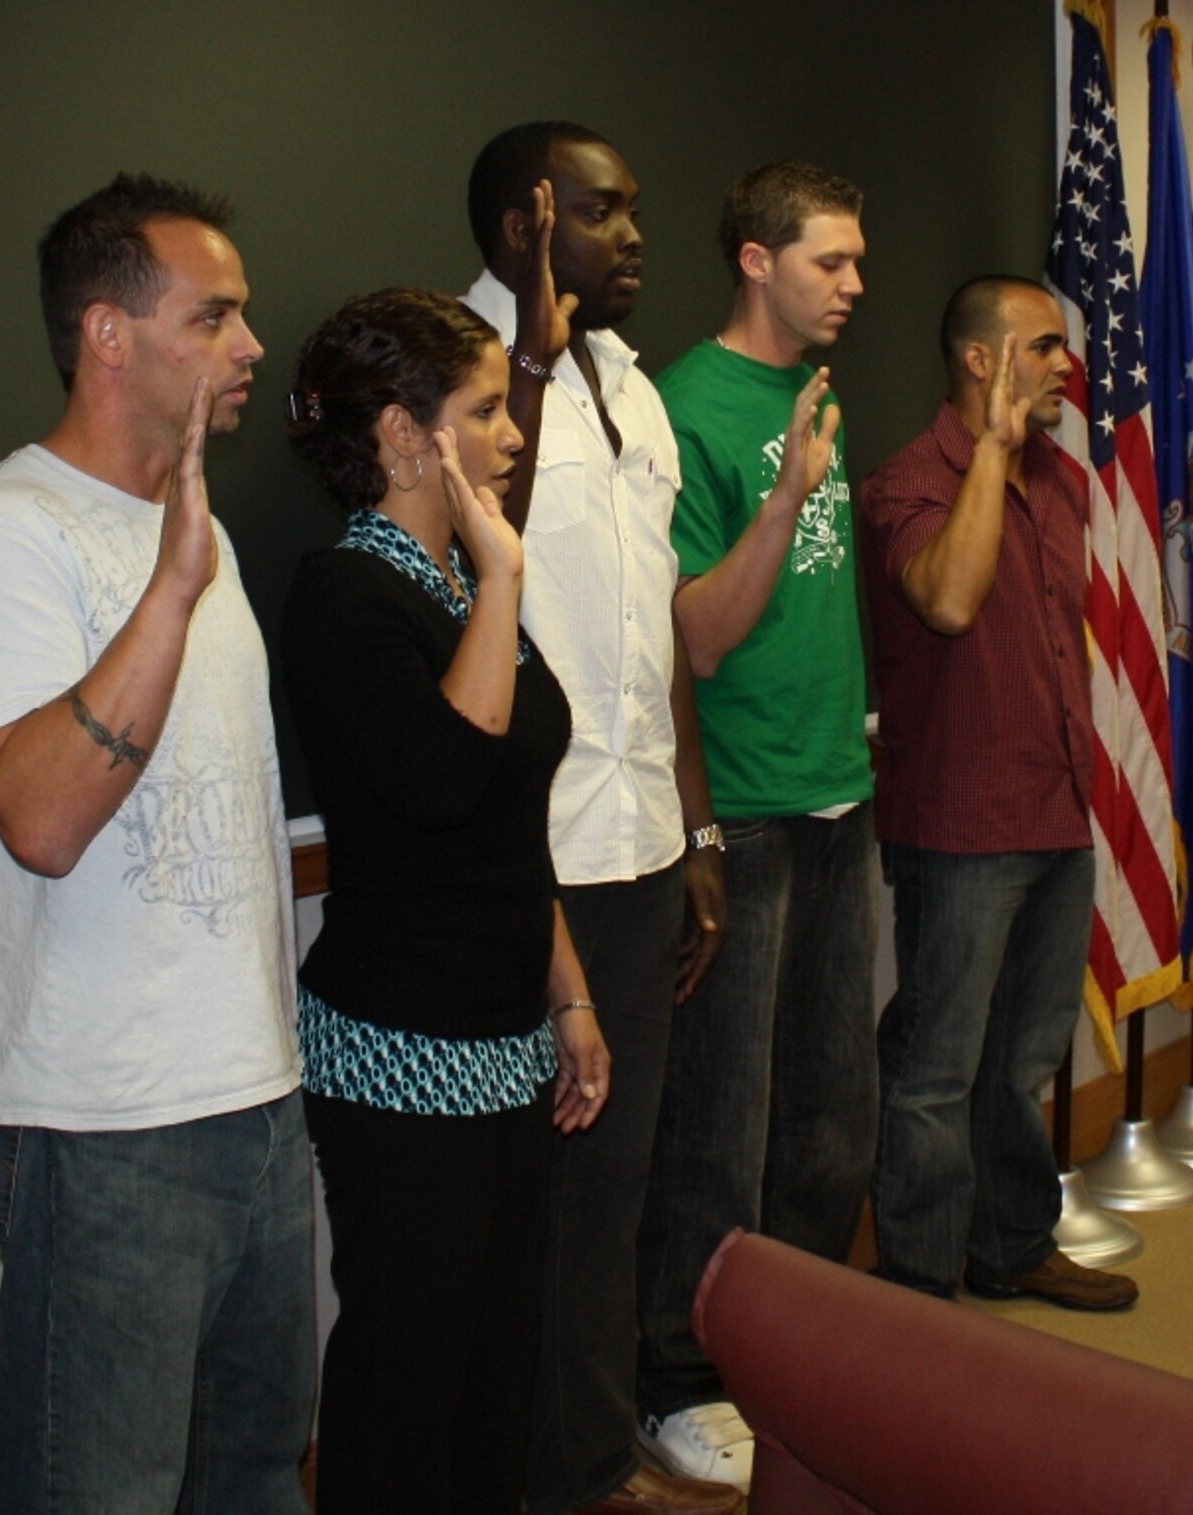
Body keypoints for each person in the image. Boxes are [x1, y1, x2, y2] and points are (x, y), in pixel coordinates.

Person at [0, 174, 314, 1512]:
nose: (251, 346)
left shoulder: (191, 528)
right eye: (215, 316)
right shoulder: (0, 537)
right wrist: (169, 593)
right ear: (108, 334)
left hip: (257, 1100)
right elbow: (39, 818)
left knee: (253, 1479)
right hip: (104, 1128)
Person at [281, 288, 608, 1512]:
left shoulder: (468, 585)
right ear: (405, 438)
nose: (512, 432)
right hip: (397, 1055)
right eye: (484, 409)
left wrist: (566, 996)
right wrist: (507, 573)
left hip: (504, 1045)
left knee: (497, 1375)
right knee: (405, 1381)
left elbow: (507, 826)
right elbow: (442, 773)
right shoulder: (345, 596)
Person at [460, 122, 740, 1515]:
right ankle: (549, 1470)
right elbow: (469, 558)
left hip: (636, 844)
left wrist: (694, 833)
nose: (636, 234)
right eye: (604, 211)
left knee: (614, 1179)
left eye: (635, 210)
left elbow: (659, 640)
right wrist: (518, 348)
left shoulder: (630, 384)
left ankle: (589, 1450)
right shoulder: (452, 367)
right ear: (526, 225)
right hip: (529, 859)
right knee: (529, 1194)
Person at [638, 160, 879, 1490]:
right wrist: (785, 495)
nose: (854, 284)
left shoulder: (819, 389)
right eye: (829, 263)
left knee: (834, 1120)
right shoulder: (690, 406)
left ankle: (790, 1363)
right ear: (753, 259)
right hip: (745, 810)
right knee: (717, 1126)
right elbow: (701, 640)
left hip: (841, 792)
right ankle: (679, 1376)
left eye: (856, 261)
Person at [860, 275, 1137, 1311]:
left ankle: (1012, 1245)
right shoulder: (908, 483)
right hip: (960, 825)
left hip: (1055, 809)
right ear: (980, 360)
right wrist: (988, 451)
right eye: (1043, 346)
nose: (1066, 364)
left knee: (1022, 1061)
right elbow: (945, 599)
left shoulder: (1059, 483)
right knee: (937, 1067)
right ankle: (919, 1286)